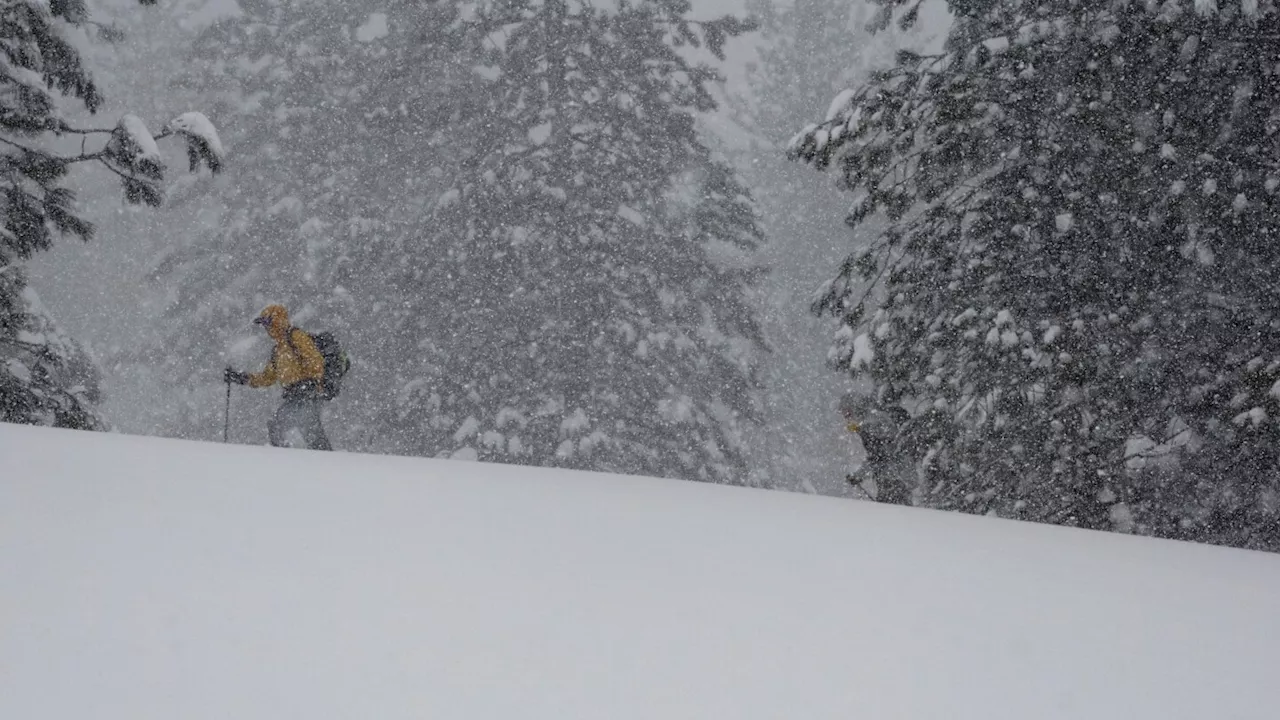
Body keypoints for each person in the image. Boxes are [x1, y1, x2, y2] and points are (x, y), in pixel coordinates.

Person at [225, 304, 332, 450]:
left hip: (308, 395)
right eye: (264, 324)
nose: (266, 329)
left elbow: (315, 360)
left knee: (303, 429)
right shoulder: (278, 350)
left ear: (277, 321)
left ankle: (324, 463)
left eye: (267, 323)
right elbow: (268, 377)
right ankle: (289, 461)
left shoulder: (295, 336)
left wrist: (312, 382)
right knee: (282, 427)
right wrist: (242, 378)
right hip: (294, 395)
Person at [840, 392, 913, 504]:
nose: (847, 419)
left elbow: (878, 458)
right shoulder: (874, 419)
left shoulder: (871, 425)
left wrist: (858, 476)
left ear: (855, 409)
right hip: (898, 478)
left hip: (893, 481)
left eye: (848, 414)